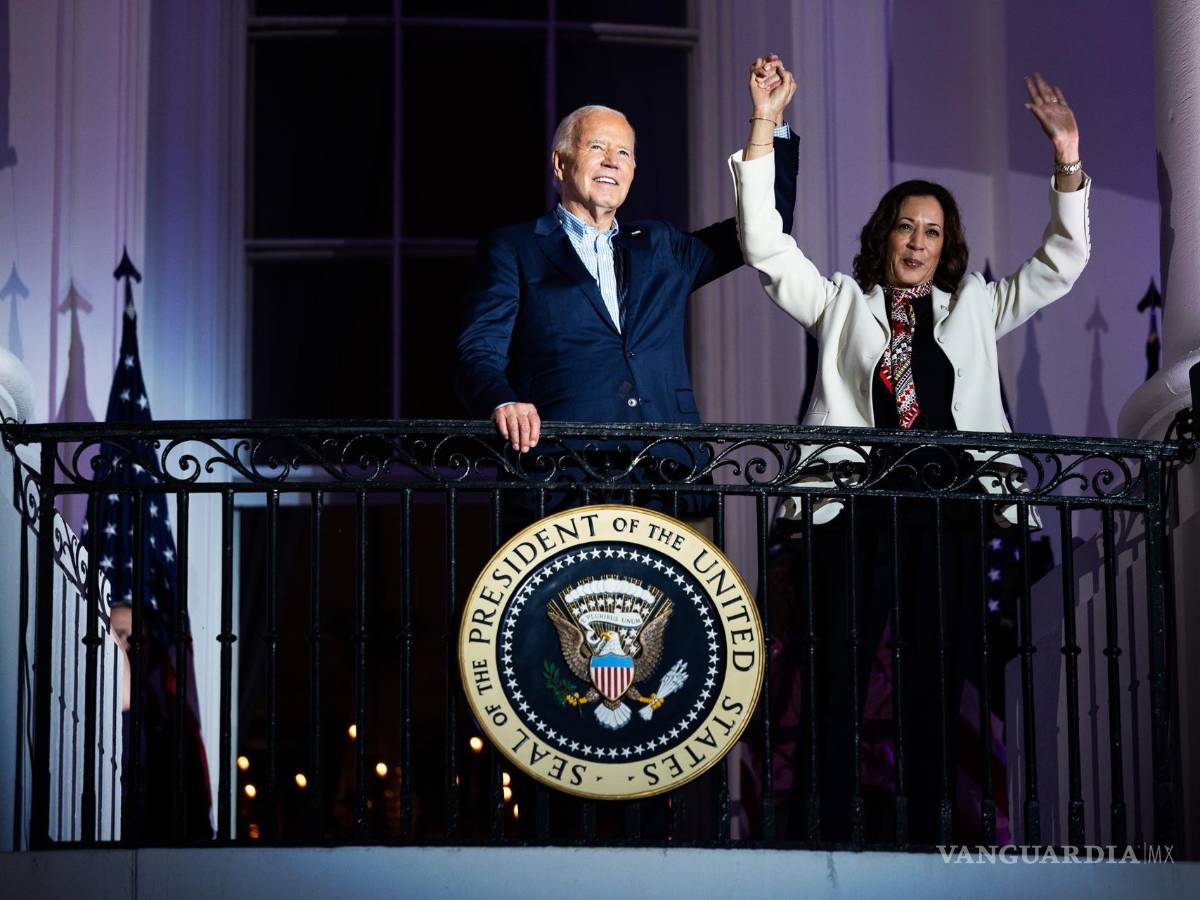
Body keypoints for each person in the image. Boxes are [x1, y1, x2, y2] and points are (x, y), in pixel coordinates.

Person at [729, 66, 1089, 843]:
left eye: (932, 231)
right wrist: (764, 126)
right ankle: (822, 827)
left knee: (934, 677)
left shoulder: (978, 308)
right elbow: (762, 245)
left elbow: (1062, 261)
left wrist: (1067, 159)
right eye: (905, 227)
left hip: (949, 510)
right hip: (852, 507)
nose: (918, 242)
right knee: (836, 671)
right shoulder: (838, 302)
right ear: (883, 236)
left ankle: (928, 828)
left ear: (946, 245)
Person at [455, 57, 799, 464]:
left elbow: (763, 226)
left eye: (623, 152)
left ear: (633, 171)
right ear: (561, 163)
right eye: (596, 147)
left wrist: (768, 119)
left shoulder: (660, 245)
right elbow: (479, 352)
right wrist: (502, 404)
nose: (611, 161)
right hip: (564, 471)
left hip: (670, 471)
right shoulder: (514, 248)